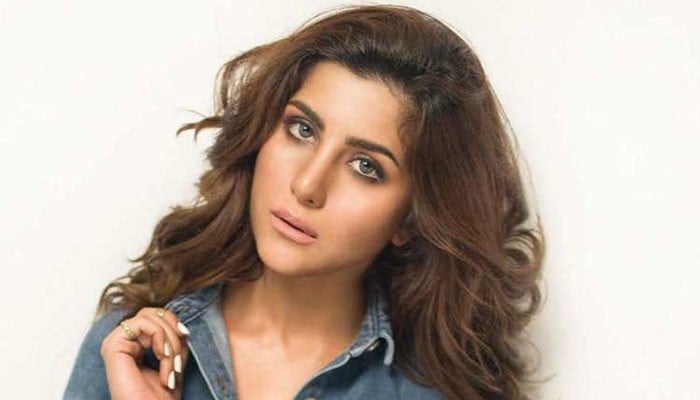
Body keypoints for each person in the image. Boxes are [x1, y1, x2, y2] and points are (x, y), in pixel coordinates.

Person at [63, 4, 546, 400]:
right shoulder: (128, 351)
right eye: (302, 129)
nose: (308, 185)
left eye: (366, 166)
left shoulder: (430, 394)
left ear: (412, 218)